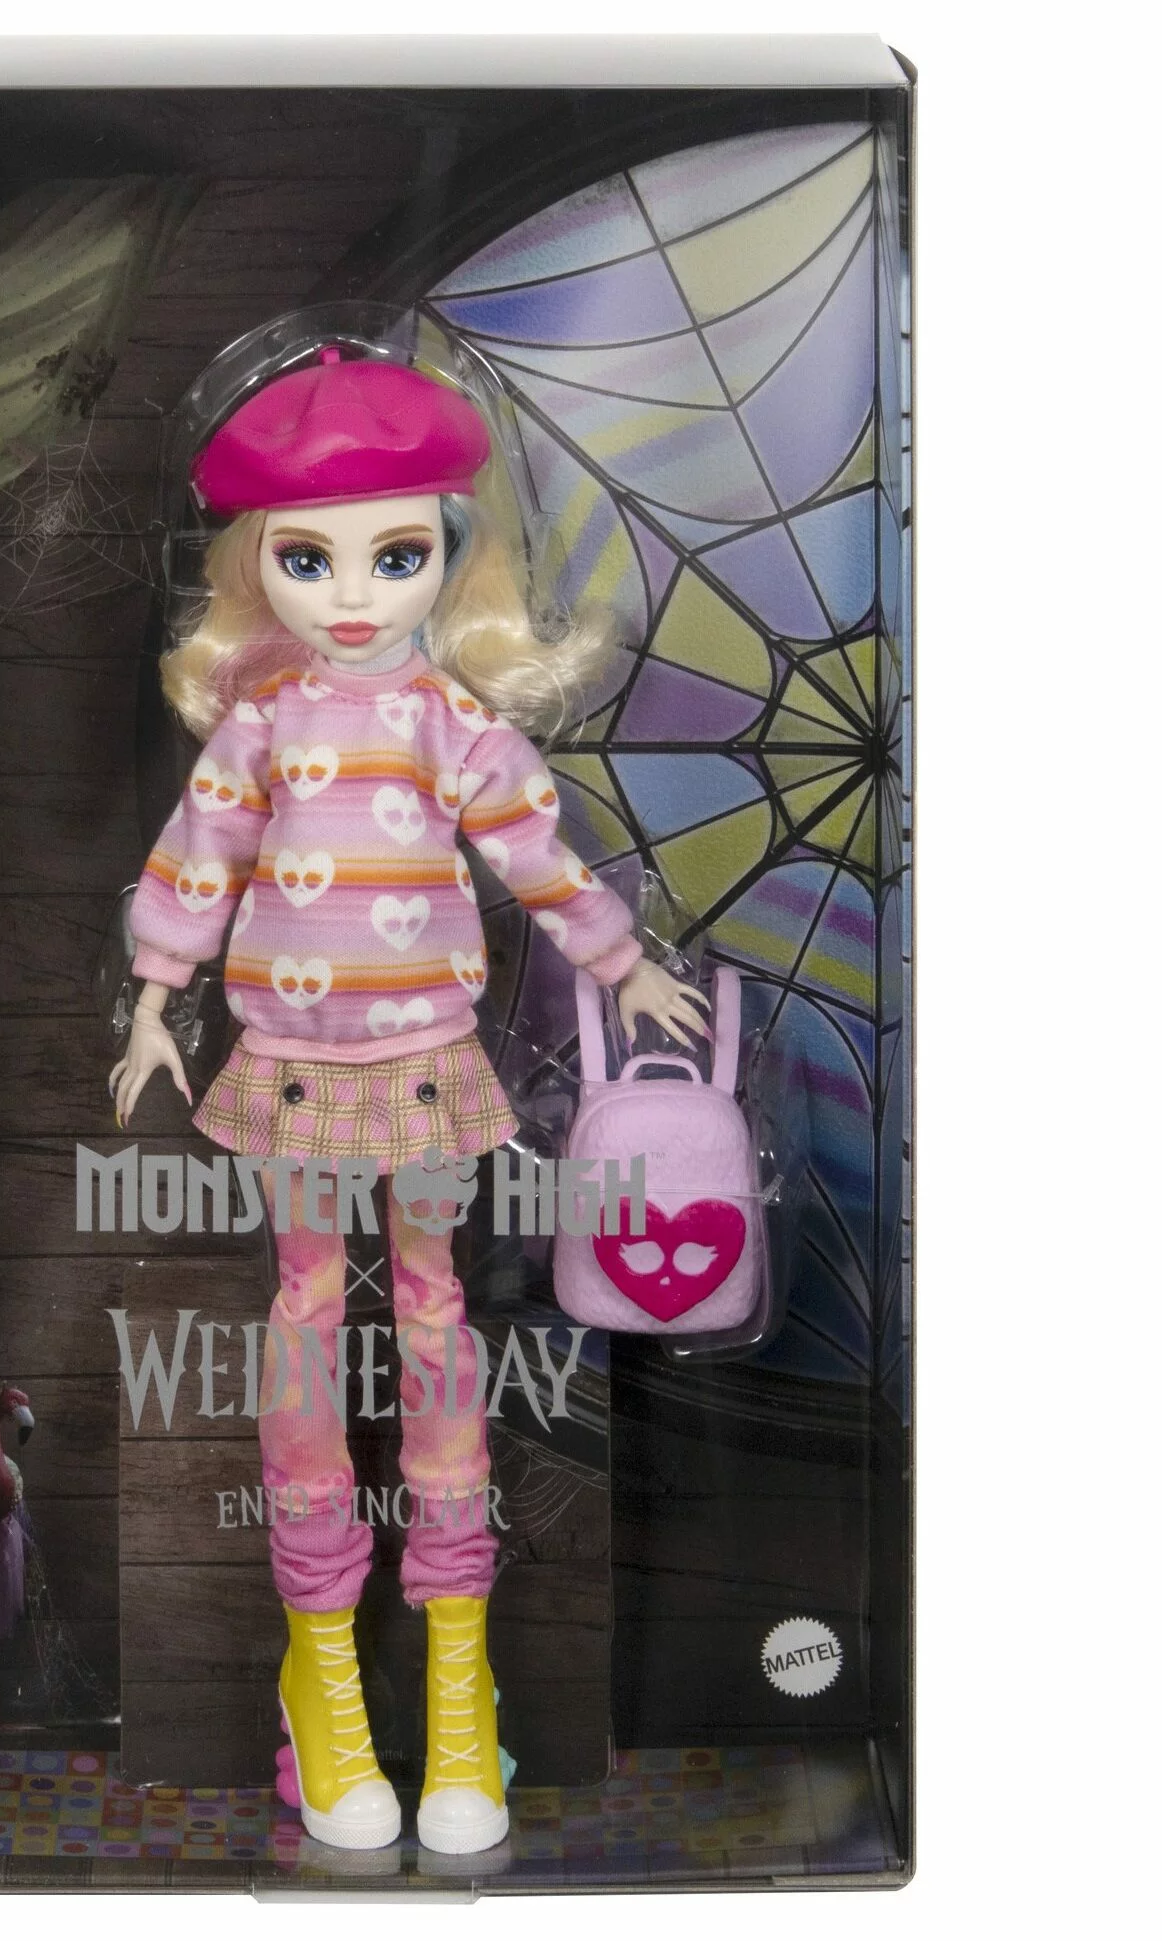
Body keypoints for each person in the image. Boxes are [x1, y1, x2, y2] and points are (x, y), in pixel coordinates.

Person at [110, 347, 707, 1853]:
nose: (354, 594)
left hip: (432, 1055)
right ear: (257, 568)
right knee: (307, 1311)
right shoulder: (261, 723)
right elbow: (199, 853)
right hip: (289, 1060)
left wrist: (620, 960)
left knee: (435, 1316)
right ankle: (321, 1678)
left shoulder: (451, 720)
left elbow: (535, 850)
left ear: (450, 555)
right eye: (307, 560)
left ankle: (457, 1683)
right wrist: (153, 998)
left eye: (396, 556)